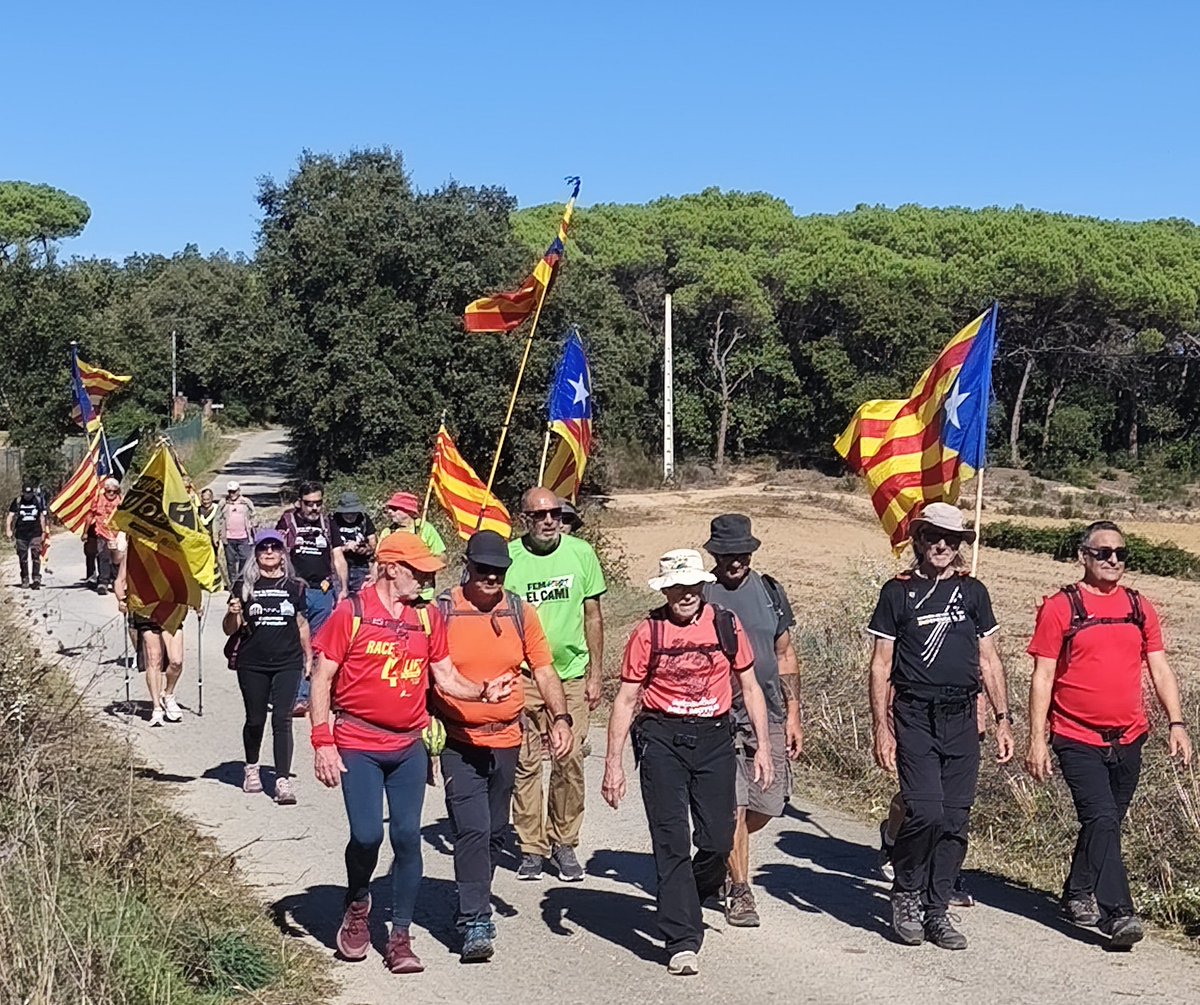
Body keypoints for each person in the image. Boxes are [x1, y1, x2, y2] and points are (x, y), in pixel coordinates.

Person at [309, 532, 515, 975]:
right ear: (391, 568)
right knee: (367, 835)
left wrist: (483, 691)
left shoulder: (426, 619)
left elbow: (445, 677)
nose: (428, 577)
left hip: (409, 745)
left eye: (430, 570)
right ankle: (359, 901)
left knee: (406, 837)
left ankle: (399, 936)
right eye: (419, 571)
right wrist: (322, 741)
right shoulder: (352, 612)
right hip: (358, 741)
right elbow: (322, 677)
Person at [603, 548, 773, 976]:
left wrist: (764, 747)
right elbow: (626, 699)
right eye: (676, 587)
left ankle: (694, 887)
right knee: (671, 839)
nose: (685, 595)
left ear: (702, 585)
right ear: (665, 590)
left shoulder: (725, 624)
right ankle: (682, 938)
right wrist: (613, 764)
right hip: (661, 739)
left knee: (717, 838)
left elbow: (750, 688)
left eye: (691, 586)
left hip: (715, 738)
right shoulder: (649, 632)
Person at [1025, 520, 1193, 948]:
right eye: (1103, 553)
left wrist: (1177, 723)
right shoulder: (1062, 607)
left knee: (1107, 823)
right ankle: (1118, 913)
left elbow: (1159, 667)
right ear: (1084, 556)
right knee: (1100, 818)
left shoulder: (1140, 607)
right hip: (1075, 735)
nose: (1113, 560)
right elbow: (1043, 676)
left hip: (1129, 736)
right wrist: (1037, 739)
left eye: (1120, 553)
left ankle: (1077, 892)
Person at [867, 502, 1014, 950]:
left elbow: (989, 660)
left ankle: (936, 910)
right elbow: (880, 665)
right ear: (919, 540)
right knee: (925, 809)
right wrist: (881, 727)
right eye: (933, 537)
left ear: (960, 546)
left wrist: (1004, 719)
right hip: (913, 714)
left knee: (954, 818)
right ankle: (907, 893)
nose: (942, 546)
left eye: (951, 539)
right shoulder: (898, 592)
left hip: (962, 716)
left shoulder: (974, 593)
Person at [433, 530, 574, 962]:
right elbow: (426, 672)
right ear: (467, 565)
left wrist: (560, 717)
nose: (492, 576)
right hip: (459, 741)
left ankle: (474, 887)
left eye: (500, 570)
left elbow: (545, 670)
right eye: (483, 569)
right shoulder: (442, 610)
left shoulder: (518, 611)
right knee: (472, 829)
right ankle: (475, 918)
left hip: (507, 739)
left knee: (495, 831)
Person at [701, 513, 801, 927]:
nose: (735, 561)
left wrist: (795, 713)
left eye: (741, 552)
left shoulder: (770, 592)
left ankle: (712, 858)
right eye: (726, 553)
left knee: (767, 804)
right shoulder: (701, 593)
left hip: (769, 713)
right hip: (718, 713)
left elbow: (785, 655)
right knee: (735, 806)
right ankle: (739, 890)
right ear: (715, 554)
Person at [506, 486, 606, 883]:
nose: (549, 521)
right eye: (539, 514)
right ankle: (531, 847)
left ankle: (564, 842)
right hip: (525, 676)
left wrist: (596, 673)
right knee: (526, 763)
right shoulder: (510, 558)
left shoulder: (581, 554)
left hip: (570, 677)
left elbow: (594, 616)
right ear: (525, 518)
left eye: (555, 513)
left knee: (570, 760)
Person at [223, 529, 311, 805]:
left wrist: (308, 656)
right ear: (256, 553)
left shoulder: (295, 586)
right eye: (263, 548)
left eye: (275, 548)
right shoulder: (244, 585)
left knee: (282, 719)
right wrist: (233, 613)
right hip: (253, 662)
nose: (269, 552)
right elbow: (229, 630)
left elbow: (300, 623)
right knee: (256, 718)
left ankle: (282, 779)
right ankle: (252, 767)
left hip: (288, 660)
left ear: (283, 553)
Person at [278, 480, 348, 716]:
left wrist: (344, 589)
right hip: (295, 591)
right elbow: (278, 553)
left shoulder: (329, 524)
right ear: (300, 503)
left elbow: (338, 557)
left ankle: (307, 696)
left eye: (318, 503)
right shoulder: (288, 522)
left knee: (319, 646)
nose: (314, 508)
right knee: (295, 643)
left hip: (323, 592)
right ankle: (291, 692)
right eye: (309, 504)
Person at [113, 551, 188, 727]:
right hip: (145, 609)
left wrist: (195, 599)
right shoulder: (135, 552)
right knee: (154, 659)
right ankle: (156, 708)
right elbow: (120, 580)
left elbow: (188, 577)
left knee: (176, 661)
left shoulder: (172, 548)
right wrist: (121, 599)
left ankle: (168, 694)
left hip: (171, 609)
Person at [332, 491, 377, 596]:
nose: (350, 516)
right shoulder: (333, 520)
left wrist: (365, 549)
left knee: (361, 597)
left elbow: (373, 543)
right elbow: (329, 546)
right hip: (338, 568)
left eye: (353, 513)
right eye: (347, 513)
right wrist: (344, 548)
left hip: (361, 567)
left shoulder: (364, 519)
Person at [7, 483, 48, 589]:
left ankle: (36, 578)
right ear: (23, 492)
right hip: (21, 533)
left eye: (30, 493)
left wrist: (43, 531)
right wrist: (8, 529)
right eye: (26, 493)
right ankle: (25, 578)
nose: (28, 496)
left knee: (36, 555)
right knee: (23, 557)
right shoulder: (17, 501)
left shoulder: (38, 500)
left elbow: (42, 517)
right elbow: (10, 516)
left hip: (35, 532)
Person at [85, 477, 122, 594]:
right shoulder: (98, 499)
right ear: (105, 490)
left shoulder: (121, 500)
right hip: (102, 532)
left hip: (118, 533)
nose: (111, 493)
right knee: (103, 556)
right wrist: (85, 532)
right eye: (109, 491)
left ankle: (117, 581)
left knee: (117, 558)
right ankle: (103, 582)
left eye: (114, 491)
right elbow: (90, 516)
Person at [217, 480, 257, 582]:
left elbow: (253, 514)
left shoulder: (246, 502)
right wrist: (216, 535)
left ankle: (242, 581)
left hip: (243, 537)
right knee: (231, 562)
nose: (232, 494)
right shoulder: (223, 503)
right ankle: (233, 583)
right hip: (229, 538)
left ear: (239, 491)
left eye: (234, 491)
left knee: (245, 560)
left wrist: (253, 523)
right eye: (230, 492)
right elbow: (217, 519)